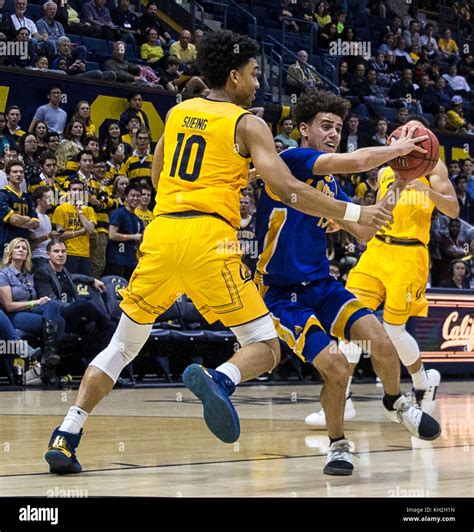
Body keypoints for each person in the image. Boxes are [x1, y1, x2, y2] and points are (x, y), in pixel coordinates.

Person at [44, 30, 414, 475]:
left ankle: (67, 432)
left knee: (122, 347)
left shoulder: (178, 112)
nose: (258, 83)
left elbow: (158, 175)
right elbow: (287, 189)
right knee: (265, 344)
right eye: (255, 74)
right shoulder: (246, 123)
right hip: (209, 240)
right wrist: (353, 208)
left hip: (161, 234)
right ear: (234, 75)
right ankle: (221, 379)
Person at [255, 91, 441, 475]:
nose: (333, 133)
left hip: (321, 284)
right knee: (338, 367)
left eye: (338, 128)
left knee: (381, 339)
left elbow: (363, 231)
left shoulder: (331, 187)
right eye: (326, 125)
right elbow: (357, 160)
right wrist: (400, 148)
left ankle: (395, 402)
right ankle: (338, 445)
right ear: (303, 130)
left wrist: (397, 188)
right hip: (281, 293)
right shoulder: (292, 160)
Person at [307, 117, 459, 427]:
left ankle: (423, 378)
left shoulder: (434, 167)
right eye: (401, 133)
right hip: (376, 250)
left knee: (393, 331)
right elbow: (382, 211)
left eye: (410, 134)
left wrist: (427, 191)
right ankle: (342, 401)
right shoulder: (385, 170)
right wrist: (350, 222)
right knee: (350, 324)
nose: (403, 137)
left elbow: (454, 209)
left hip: (409, 254)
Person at [0, 237, 66, 384]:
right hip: (13, 315)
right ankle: (48, 368)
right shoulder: (4, 275)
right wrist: (35, 302)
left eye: (24, 248)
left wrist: (40, 302)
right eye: (18, 247)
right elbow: (8, 306)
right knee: (59, 322)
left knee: (53, 305)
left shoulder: (28, 275)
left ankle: (48, 356)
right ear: (10, 252)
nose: (21, 250)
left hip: (30, 311)